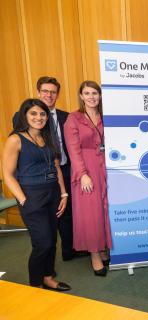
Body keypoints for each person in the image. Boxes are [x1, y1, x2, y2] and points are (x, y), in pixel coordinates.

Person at [2, 98, 71, 291]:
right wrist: (23, 200)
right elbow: (7, 174)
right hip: (31, 196)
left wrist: (64, 194)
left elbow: (56, 166)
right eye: (33, 113)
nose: (38, 117)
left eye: (42, 114)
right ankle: (35, 285)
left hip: (53, 194)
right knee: (43, 242)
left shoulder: (47, 137)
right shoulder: (15, 139)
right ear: (25, 115)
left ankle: (48, 277)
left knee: (52, 241)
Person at [13, 76, 78, 261]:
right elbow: (23, 151)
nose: (49, 95)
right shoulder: (22, 117)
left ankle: (69, 251)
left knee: (65, 213)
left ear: (57, 95)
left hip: (63, 169)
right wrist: (23, 196)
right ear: (38, 92)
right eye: (45, 91)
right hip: (35, 180)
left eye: (53, 92)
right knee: (44, 232)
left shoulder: (67, 117)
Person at [64, 80, 112, 276]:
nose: (92, 97)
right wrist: (83, 175)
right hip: (86, 169)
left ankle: (102, 247)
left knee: (104, 209)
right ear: (81, 96)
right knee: (91, 214)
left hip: (106, 167)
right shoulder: (73, 119)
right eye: (87, 93)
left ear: (99, 96)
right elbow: (73, 150)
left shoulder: (105, 117)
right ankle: (94, 254)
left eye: (95, 93)